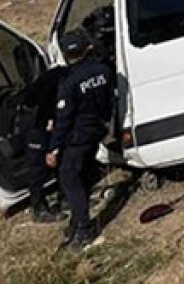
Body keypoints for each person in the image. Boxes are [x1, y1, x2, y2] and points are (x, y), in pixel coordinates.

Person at [45, 29, 113, 250]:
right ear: (87, 47)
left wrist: (53, 148)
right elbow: (107, 102)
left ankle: (83, 228)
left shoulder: (69, 82)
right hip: (97, 129)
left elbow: (64, 119)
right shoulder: (103, 70)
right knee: (82, 175)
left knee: (69, 179)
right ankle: (76, 223)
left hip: (77, 136)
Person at [17, 62, 68, 223]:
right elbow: (40, 106)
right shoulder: (54, 82)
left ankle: (65, 197)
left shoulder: (60, 78)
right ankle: (38, 207)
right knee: (38, 168)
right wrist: (50, 120)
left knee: (60, 159)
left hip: (43, 121)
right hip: (35, 125)